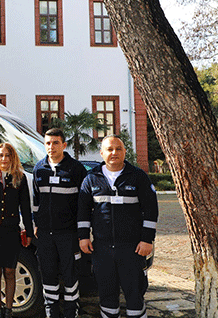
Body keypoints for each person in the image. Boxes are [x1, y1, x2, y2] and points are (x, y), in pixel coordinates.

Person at [77, 135, 158, 318]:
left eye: (118, 149)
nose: (114, 153)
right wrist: (83, 237)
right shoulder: (91, 179)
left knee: (135, 295)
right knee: (106, 296)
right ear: (102, 153)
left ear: (125, 152)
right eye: (109, 149)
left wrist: (147, 239)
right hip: (102, 249)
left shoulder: (138, 177)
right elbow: (82, 211)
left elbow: (151, 210)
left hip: (132, 249)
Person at [32, 128, 87, 318]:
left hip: (68, 234)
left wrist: (83, 233)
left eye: (55, 143)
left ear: (64, 145)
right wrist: (37, 224)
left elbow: (84, 204)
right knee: (48, 276)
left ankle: (71, 313)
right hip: (46, 235)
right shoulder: (39, 169)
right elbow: (36, 201)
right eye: (47, 143)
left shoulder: (76, 169)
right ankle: (51, 313)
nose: (51, 147)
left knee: (70, 276)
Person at [0, 143, 33, 318]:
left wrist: (28, 231)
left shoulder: (19, 178)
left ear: (13, 158)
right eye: (1, 155)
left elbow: (25, 207)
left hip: (11, 230)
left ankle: (9, 310)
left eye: (8, 155)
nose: (4, 159)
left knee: (10, 271)